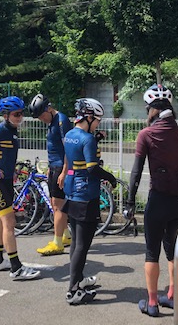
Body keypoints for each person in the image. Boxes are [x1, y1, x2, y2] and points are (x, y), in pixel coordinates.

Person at [125, 84, 178, 317]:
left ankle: (152, 303)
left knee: (152, 252)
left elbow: (136, 172)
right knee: (173, 250)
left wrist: (129, 203)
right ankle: (172, 296)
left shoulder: (146, 134)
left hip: (158, 201)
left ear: (151, 109)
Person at [0, 96, 40, 281]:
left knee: (0, 221)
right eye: (16, 114)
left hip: (6, 181)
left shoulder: (11, 130)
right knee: (10, 223)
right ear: (6, 115)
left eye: (21, 114)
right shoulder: (2, 129)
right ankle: (16, 268)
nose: (20, 117)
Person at [62, 98, 117, 305]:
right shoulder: (88, 139)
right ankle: (73, 290)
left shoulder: (70, 135)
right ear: (88, 116)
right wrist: (110, 178)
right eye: (97, 120)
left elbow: (78, 154)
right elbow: (92, 168)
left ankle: (77, 280)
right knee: (82, 246)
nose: (98, 124)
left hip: (72, 192)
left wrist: (95, 139)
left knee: (76, 243)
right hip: (87, 194)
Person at [29, 93, 73, 256]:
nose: (41, 119)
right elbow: (54, 146)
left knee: (58, 205)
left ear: (48, 109)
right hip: (54, 166)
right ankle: (66, 236)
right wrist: (50, 167)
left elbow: (68, 147)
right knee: (57, 204)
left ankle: (57, 242)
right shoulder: (53, 121)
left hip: (61, 167)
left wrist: (64, 171)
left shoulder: (61, 121)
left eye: (41, 115)